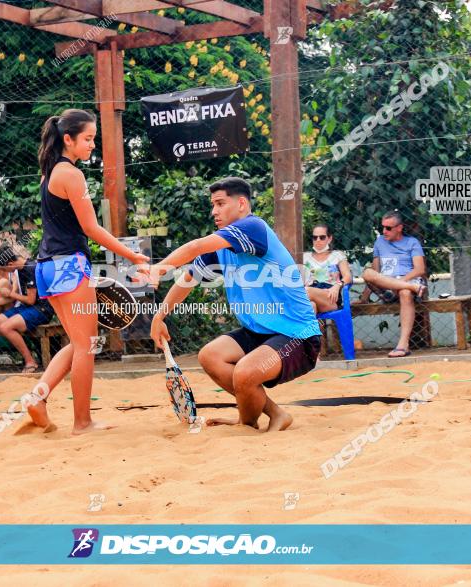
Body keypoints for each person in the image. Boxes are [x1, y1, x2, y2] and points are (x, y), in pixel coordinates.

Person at [148, 177, 321, 433]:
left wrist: (158, 268)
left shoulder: (253, 227)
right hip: (260, 333)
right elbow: (187, 280)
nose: (214, 211)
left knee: (244, 373)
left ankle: (247, 425)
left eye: (220, 203)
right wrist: (158, 318)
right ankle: (275, 414)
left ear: (241, 203)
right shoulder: (222, 246)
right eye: (213, 205)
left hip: (298, 336)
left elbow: (196, 246)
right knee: (210, 356)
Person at [26, 108, 149, 435]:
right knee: (88, 344)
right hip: (68, 265)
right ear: (68, 139)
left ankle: (37, 397)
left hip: (46, 268)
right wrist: (132, 256)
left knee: (77, 342)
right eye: (88, 139)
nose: (92, 144)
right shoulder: (71, 174)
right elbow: (91, 228)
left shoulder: (49, 172)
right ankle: (82, 422)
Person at [0, 245, 55, 374]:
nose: (4, 271)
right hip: (27, 307)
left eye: (3, 268)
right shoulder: (19, 268)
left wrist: (10, 294)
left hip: (41, 309)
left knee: (5, 327)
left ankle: (30, 361)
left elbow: (30, 300)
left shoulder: (30, 269)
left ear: (10, 263)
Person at [355, 210, 427, 358]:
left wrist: (399, 283)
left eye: (388, 228)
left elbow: (419, 269)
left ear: (399, 228)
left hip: (406, 281)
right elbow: (375, 272)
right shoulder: (379, 241)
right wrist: (364, 298)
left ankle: (403, 345)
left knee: (405, 292)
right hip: (387, 287)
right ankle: (411, 288)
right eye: (383, 227)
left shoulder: (412, 242)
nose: (384, 231)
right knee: (367, 273)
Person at [303, 224, 352, 314]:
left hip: (330, 296)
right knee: (311, 305)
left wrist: (337, 286)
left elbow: (348, 277)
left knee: (305, 292)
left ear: (329, 239)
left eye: (322, 237)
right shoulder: (305, 257)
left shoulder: (337, 255)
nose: (318, 240)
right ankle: (320, 327)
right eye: (315, 237)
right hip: (311, 291)